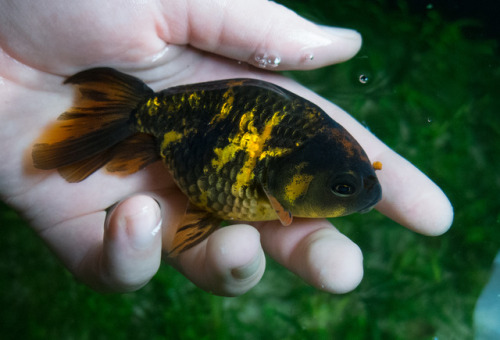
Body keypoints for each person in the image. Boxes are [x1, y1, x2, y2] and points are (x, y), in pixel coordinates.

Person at [0, 0, 453, 296]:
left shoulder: (306, 151)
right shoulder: (272, 176)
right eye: (341, 187)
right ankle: (125, 115)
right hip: (184, 124)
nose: (353, 198)